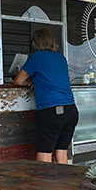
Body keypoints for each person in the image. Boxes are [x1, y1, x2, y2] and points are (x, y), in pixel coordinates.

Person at [13, 28, 79, 164]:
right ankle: (64, 185)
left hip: (51, 111)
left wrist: (30, 82)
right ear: (51, 41)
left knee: (44, 158)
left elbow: (18, 80)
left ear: (34, 43)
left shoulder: (36, 57)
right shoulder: (61, 57)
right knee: (61, 156)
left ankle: (45, 185)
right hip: (71, 111)